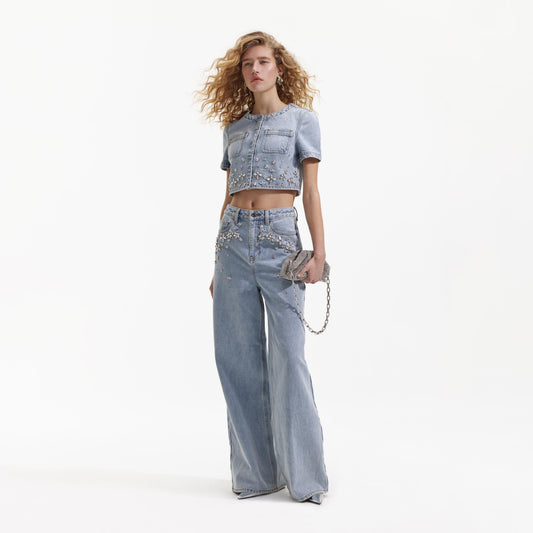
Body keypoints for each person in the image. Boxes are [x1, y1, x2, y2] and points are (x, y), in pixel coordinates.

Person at [196, 31, 329, 504]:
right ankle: (256, 475)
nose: (255, 69)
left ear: (279, 68)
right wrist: (217, 263)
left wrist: (319, 253)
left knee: (289, 359)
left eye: (264, 61)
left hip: (280, 244)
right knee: (236, 358)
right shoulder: (233, 129)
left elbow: (310, 192)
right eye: (248, 64)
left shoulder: (301, 121)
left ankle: (306, 480)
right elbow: (228, 196)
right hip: (232, 243)